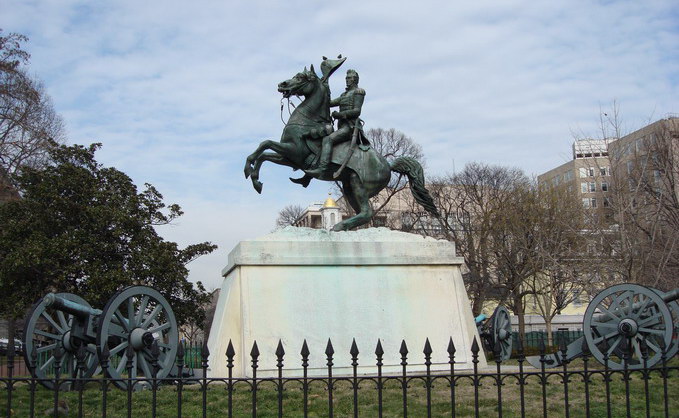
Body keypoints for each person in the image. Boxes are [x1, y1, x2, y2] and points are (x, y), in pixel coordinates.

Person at [305, 69, 366, 176]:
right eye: (346, 78)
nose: (347, 80)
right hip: (341, 126)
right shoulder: (344, 95)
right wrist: (325, 87)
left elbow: (357, 111)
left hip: (350, 127)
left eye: (349, 78)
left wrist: (339, 115)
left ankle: (322, 168)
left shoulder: (358, 92)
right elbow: (328, 103)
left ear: (355, 79)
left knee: (328, 139)